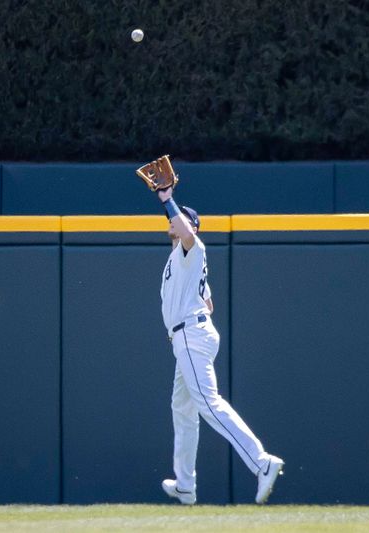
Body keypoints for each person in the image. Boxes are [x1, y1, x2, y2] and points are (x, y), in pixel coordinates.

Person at [156, 185, 284, 505]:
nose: (172, 220)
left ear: (193, 226)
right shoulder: (181, 259)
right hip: (190, 335)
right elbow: (209, 303)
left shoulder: (193, 247)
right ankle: (186, 485)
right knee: (182, 410)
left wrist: (167, 199)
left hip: (190, 336)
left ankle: (262, 462)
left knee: (208, 403)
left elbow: (188, 234)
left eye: (181, 218)